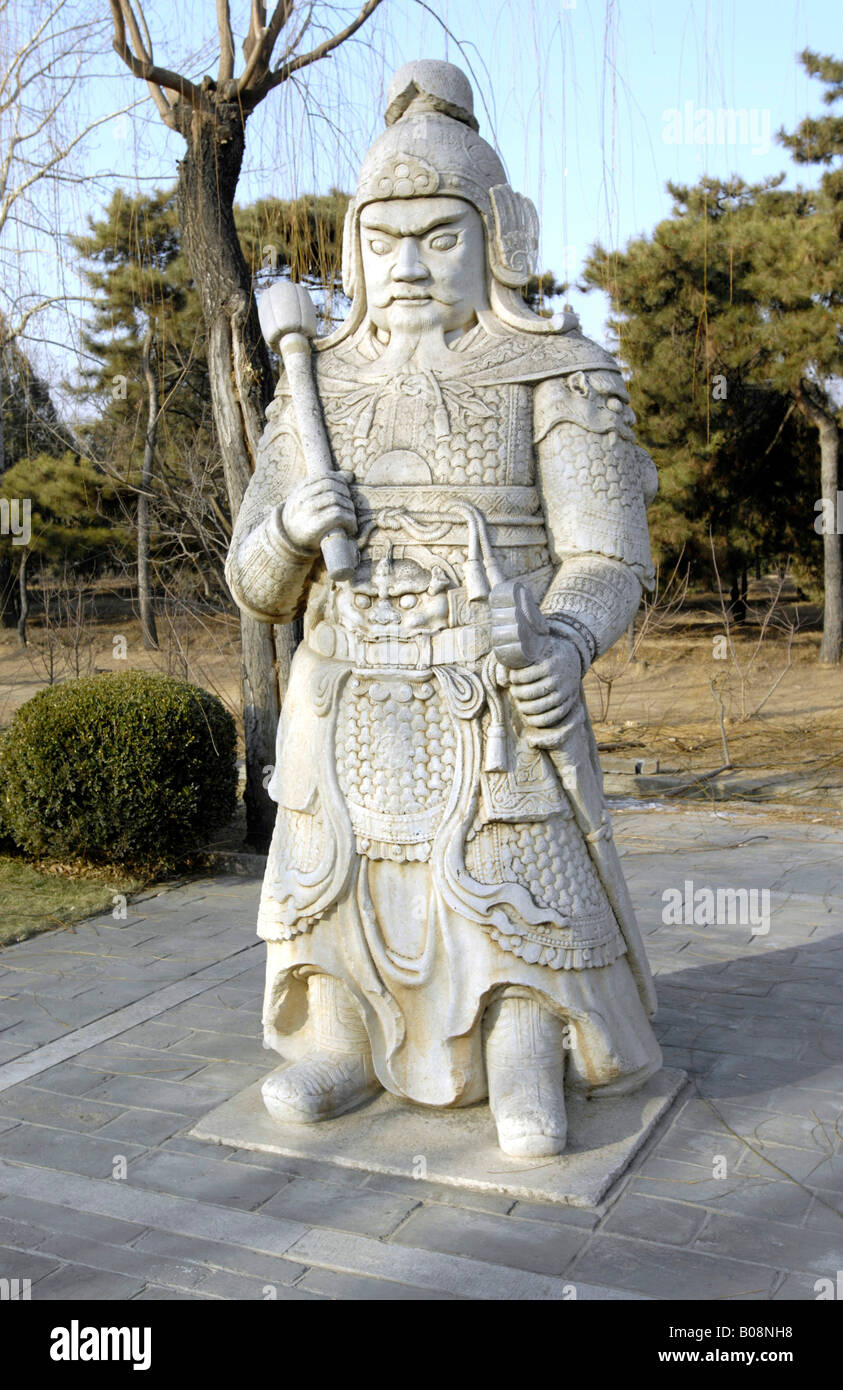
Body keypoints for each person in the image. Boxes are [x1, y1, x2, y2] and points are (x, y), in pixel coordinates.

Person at [225, 59, 662, 1158]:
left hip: (491, 682)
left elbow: (608, 554)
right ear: (351, 250)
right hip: (346, 680)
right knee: (333, 870)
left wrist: (563, 636)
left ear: (495, 237)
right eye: (383, 240)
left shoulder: (557, 371)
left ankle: (525, 1036)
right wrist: (285, 529)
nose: (407, 265)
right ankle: (341, 1028)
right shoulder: (312, 386)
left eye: (439, 237)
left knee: (515, 871)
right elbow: (252, 578)